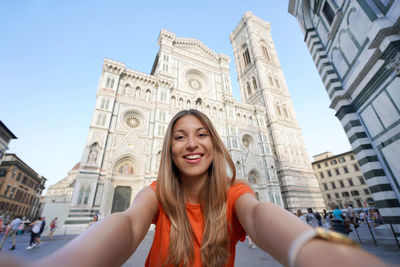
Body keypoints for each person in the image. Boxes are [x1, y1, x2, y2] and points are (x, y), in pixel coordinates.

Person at [1, 110, 386, 266]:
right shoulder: (156, 194)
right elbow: (128, 224)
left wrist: (309, 248)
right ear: (169, 148)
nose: (192, 143)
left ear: (215, 145)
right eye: (180, 136)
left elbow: (259, 216)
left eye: (202, 134)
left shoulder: (235, 195)